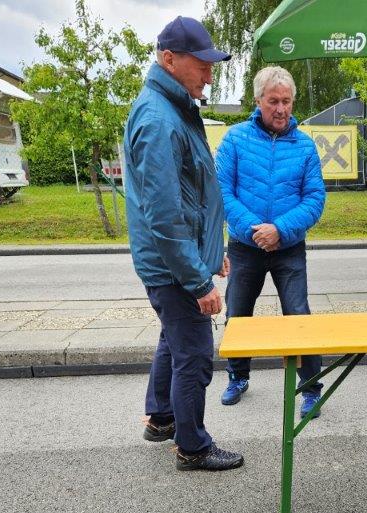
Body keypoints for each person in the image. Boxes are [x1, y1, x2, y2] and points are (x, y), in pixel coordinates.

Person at [123, 16, 243, 471]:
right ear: (170, 60)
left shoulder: (174, 108)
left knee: (173, 340)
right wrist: (199, 281)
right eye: (203, 65)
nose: (210, 75)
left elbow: (191, 197)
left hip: (175, 261)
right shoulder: (159, 119)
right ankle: (192, 447)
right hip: (173, 266)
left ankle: (161, 418)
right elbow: (165, 217)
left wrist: (212, 253)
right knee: (193, 353)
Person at [214, 66, 327, 419]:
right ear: (258, 100)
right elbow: (221, 193)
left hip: (288, 247)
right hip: (245, 247)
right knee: (238, 314)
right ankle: (237, 377)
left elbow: (315, 199)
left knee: (298, 316)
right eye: (273, 101)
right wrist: (255, 231)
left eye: (287, 102)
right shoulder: (235, 139)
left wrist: (279, 229)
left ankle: (311, 387)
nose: (281, 109)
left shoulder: (304, 146)